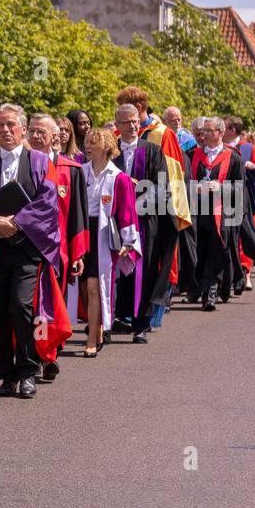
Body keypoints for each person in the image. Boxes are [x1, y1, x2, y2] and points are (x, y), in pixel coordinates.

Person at [0, 103, 71, 399]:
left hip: (27, 249)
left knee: (21, 308)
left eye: (12, 125)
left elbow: (47, 203)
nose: (6, 130)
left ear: (23, 129)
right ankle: (6, 376)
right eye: (0, 126)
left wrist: (17, 223)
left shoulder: (40, 161)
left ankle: (27, 372)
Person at [68, 128, 140, 356]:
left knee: (94, 285)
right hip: (81, 230)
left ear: (107, 147)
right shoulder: (80, 172)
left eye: (93, 143)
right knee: (81, 286)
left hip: (102, 234)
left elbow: (127, 212)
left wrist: (128, 241)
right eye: (87, 142)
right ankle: (97, 326)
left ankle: (91, 339)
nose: (87, 147)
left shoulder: (119, 178)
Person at [28, 112, 85, 378]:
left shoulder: (70, 169)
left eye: (42, 132)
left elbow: (77, 215)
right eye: (33, 131)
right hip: (27, 247)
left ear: (55, 137)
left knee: (52, 307)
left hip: (58, 253)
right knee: (33, 307)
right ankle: (40, 355)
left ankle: (49, 350)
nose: (37, 136)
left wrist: (78, 253)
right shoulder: (20, 166)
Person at [112, 102, 168, 343]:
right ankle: (116, 317)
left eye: (135, 121)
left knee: (143, 271)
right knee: (113, 268)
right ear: (117, 125)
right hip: (113, 220)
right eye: (126, 122)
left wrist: (136, 200)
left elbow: (161, 185)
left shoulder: (152, 151)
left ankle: (141, 324)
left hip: (144, 221)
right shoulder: (109, 149)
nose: (133, 125)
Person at [187, 116, 246, 310]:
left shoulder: (234, 157)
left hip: (222, 213)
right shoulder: (192, 155)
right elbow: (184, 181)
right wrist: (194, 188)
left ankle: (210, 293)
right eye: (203, 130)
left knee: (215, 250)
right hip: (197, 212)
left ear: (220, 133)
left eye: (209, 130)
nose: (204, 134)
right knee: (199, 250)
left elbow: (240, 188)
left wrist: (220, 187)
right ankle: (198, 287)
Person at [225, 116, 255, 291]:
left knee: (245, 239)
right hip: (224, 200)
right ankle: (232, 274)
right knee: (230, 238)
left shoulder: (249, 149)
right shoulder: (220, 148)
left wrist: (254, 167)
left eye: (225, 127)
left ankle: (246, 273)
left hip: (247, 200)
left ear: (232, 131)